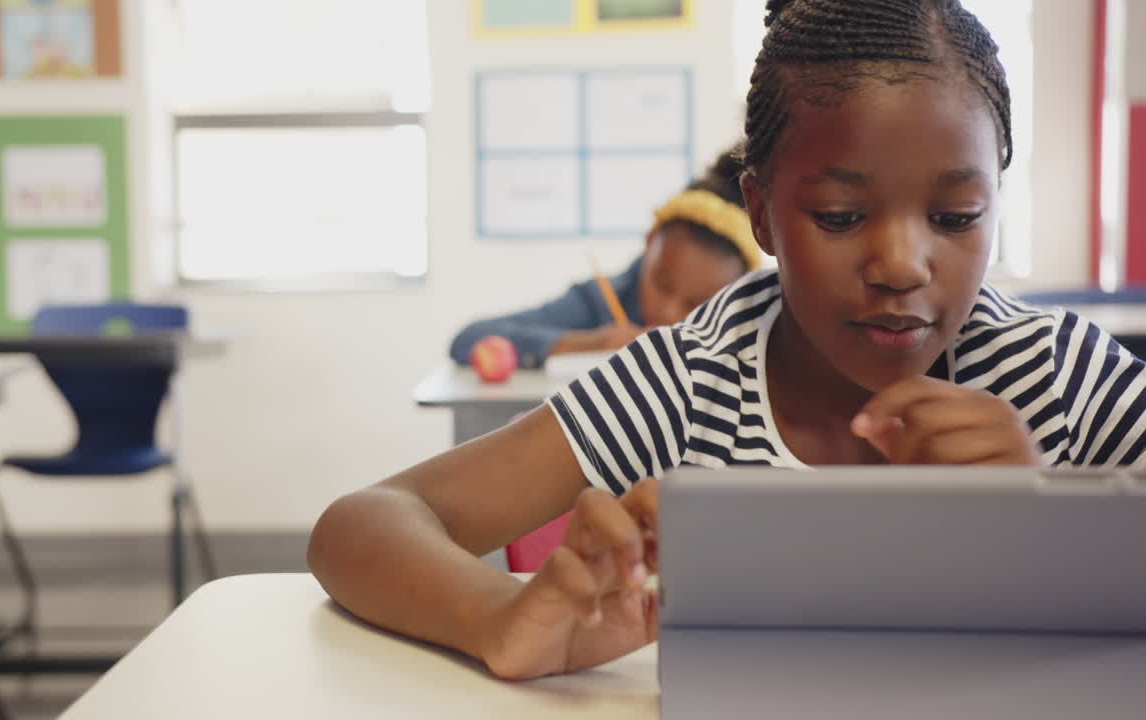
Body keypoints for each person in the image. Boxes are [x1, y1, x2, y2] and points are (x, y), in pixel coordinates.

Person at [309, 0, 1146, 682]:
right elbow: (363, 523)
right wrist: (499, 619)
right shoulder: (691, 379)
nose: (901, 264)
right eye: (842, 216)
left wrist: (1056, 548)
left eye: (956, 217)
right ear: (760, 214)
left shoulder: (1049, 373)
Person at [449, 149, 760, 369]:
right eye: (662, 284)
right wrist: (594, 343)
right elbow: (468, 339)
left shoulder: (754, 324)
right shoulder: (599, 301)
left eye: (695, 304)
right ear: (650, 242)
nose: (668, 313)